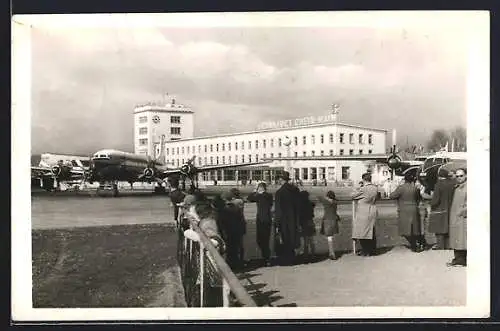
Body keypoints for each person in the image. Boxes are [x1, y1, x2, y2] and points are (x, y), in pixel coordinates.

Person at [389, 172, 425, 252]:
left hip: (404, 209)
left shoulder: (401, 188)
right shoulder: (415, 188)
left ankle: (414, 244)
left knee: (405, 229)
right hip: (414, 208)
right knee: (414, 228)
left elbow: (392, 196)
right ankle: (418, 243)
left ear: (404, 179)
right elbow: (419, 198)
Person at [274, 171, 301, 265]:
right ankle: (292, 258)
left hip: (283, 219)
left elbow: (278, 209)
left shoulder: (279, 192)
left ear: (281, 180)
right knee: (292, 237)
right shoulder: (295, 190)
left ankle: (286, 260)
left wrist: (277, 222)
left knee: (284, 239)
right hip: (294, 218)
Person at [351, 173, 378, 256]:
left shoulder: (363, 189)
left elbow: (352, 196)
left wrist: (358, 187)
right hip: (372, 208)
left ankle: (365, 250)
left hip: (363, 210)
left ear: (363, 180)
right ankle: (372, 250)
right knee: (371, 231)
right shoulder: (375, 188)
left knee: (362, 232)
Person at [247, 182, 274, 266]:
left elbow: (249, 198)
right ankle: (266, 258)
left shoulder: (259, 196)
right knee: (266, 239)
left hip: (261, 219)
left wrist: (255, 190)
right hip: (268, 219)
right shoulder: (269, 196)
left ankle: (266, 257)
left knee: (260, 240)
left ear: (260, 188)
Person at [429, 168, 455, 250]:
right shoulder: (452, 183)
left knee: (439, 229)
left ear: (439, 176)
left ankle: (440, 246)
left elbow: (435, 200)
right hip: (450, 208)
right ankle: (448, 245)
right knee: (448, 228)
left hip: (440, 209)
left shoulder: (438, 185)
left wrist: (431, 204)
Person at [447, 168, 467, 267]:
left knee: (462, 239)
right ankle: (457, 259)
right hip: (455, 218)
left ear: (466, 176)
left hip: (462, 219)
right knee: (457, 238)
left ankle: (461, 260)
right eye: (457, 176)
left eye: (461, 176)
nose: (459, 178)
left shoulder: (467, 188)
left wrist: (461, 212)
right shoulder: (457, 187)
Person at [318, 190, 340, 260]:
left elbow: (319, 197)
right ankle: (331, 252)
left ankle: (331, 252)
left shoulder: (326, 202)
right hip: (334, 219)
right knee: (331, 236)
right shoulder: (335, 202)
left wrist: (326, 197)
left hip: (327, 219)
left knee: (329, 237)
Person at [298, 190, 316, 260]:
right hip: (310, 221)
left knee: (305, 239)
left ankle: (306, 254)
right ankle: (313, 254)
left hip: (304, 222)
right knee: (311, 239)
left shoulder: (301, 205)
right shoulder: (310, 204)